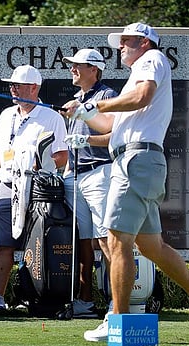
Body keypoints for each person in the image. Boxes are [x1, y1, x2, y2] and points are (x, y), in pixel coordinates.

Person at [69, 23, 189, 340]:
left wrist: (94, 104)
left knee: (115, 239)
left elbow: (142, 96)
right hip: (136, 160)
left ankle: (118, 319)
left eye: (125, 41)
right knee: (152, 247)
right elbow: (111, 129)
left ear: (144, 42)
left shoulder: (151, 60)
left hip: (137, 162)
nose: (120, 46)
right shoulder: (136, 75)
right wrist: (84, 118)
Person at [0, 65, 68, 311]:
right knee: (4, 245)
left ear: (34, 88)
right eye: (11, 85)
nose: (12, 89)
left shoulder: (52, 117)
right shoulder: (7, 115)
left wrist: (40, 163)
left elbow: (62, 155)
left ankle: (32, 296)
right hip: (7, 187)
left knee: (36, 245)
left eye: (18, 85)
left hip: (38, 191)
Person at [60, 49, 118, 318]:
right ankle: (85, 301)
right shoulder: (75, 100)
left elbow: (114, 135)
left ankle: (116, 300)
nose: (72, 69)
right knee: (84, 241)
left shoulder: (106, 96)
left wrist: (86, 141)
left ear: (94, 69)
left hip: (99, 172)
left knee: (105, 238)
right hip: (76, 175)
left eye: (77, 66)